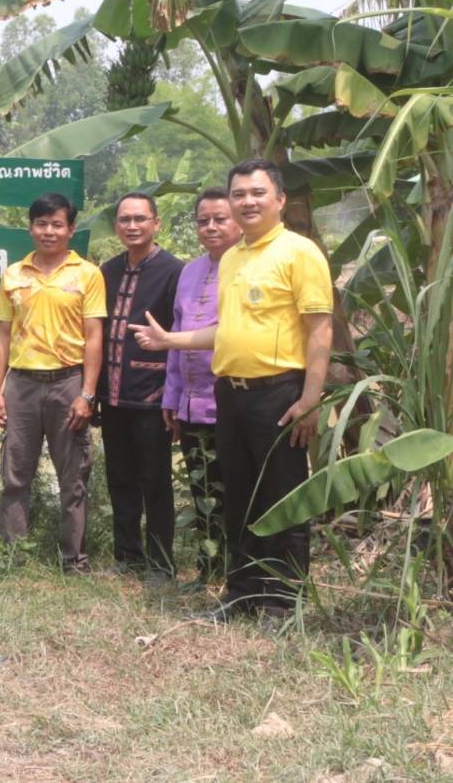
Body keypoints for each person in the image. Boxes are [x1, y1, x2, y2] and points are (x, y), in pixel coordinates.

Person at [133, 159, 333, 619]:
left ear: (280, 200)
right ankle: (242, 595)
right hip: (231, 394)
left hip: (280, 394)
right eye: (239, 193)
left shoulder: (299, 253)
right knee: (239, 496)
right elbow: (226, 331)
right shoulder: (235, 258)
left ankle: (284, 603)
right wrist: (170, 340)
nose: (247, 201)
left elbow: (320, 329)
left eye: (257, 193)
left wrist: (311, 398)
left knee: (282, 498)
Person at [0, 192, 106, 574]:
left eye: (57, 224)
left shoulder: (87, 273)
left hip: (68, 383)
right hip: (21, 385)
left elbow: (93, 337)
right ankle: (12, 557)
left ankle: (74, 560)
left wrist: (87, 394)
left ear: (71, 229)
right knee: (15, 473)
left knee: (72, 476)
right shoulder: (14, 274)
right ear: (31, 228)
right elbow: (3, 336)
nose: (49, 231)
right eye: (41, 224)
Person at [99, 192, 182, 581]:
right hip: (113, 395)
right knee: (120, 478)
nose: (132, 226)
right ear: (116, 225)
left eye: (140, 219)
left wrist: (174, 395)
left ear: (156, 223)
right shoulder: (108, 270)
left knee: (156, 481)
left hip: (153, 395)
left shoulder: (173, 271)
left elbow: (180, 336)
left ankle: (162, 564)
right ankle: (127, 557)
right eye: (124, 220)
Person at [162, 189, 241, 582]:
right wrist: (171, 396)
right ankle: (209, 570)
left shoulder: (248, 267)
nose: (210, 227)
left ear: (239, 220)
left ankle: (239, 571)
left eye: (220, 218)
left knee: (234, 488)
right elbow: (177, 334)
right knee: (201, 487)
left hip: (231, 401)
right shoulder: (190, 271)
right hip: (191, 403)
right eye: (202, 220)